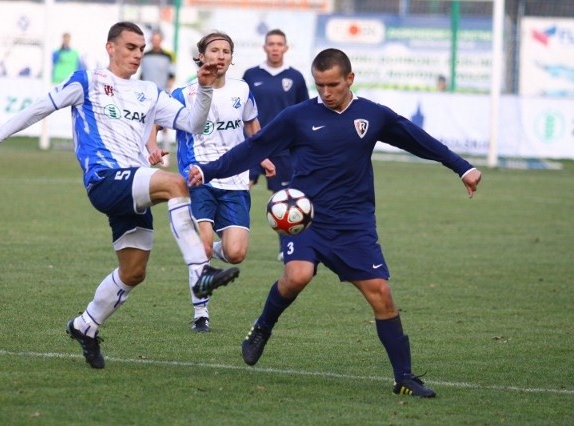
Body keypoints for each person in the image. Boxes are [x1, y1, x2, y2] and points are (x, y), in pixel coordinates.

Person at [188, 48, 482, 397]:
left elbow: (416, 139)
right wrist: (208, 170)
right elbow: (253, 147)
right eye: (320, 85)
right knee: (297, 275)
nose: (326, 92)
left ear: (350, 79)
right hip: (305, 218)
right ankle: (263, 327)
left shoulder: (371, 115)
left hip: (354, 224)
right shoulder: (298, 117)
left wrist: (461, 166)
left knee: (382, 296)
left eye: (333, 85)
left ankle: (404, 377)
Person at [0, 21, 240, 369]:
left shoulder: (150, 91)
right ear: (110, 47)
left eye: (141, 49)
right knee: (176, 184)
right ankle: (201, 272)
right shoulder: (89, 81)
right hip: (106, 180)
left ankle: (85, 325)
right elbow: (40, 108)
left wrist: (203, 90)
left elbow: (194, 124)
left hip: (134, 184)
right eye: (130, 47)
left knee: (133, 272)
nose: (137, 54)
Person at [149, 31, 274, 333]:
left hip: (235, 178)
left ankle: (206, 255)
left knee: (236, 253)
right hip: (198, 175)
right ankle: (200, 313)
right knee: (203, 245)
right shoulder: (185, 93)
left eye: (226, 51)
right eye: (214, 50)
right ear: (202, 57)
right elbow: (155, 120)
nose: (220, 55)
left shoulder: (242, 90)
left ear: (231, 58)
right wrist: (152, 146)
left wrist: (264, 156)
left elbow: (252, 126)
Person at [242, 29, 309, 261]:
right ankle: (229, 238)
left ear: (286, 48)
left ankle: (286, 247)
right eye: (271, 43)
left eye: (279, 44)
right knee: (239, 190)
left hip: (282, 149)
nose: (275, 48)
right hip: (253, 144)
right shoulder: (251, 75)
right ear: (264, 47)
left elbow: (304, 113)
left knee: (285, 199)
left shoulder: (296, 78)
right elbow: (240, 110)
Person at [141, 29, 176, 166]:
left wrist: (167, 91)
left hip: (161, 94)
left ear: (161, 40)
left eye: (158, 39)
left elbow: (171, 76)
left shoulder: (168, 56)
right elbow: (142, 76)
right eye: (154, 39)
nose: (156, 42)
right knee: (145, 124)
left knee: (164, 125)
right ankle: (147, 153)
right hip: (146, 96)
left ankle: (164, 154)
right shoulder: (145, 56)